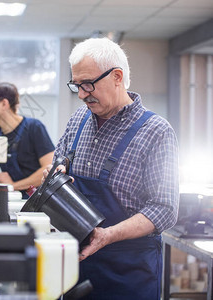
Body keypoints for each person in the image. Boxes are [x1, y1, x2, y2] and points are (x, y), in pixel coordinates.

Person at [43, 38, 179, 299]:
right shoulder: (77, 121)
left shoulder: (157, 132)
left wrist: (106, 235)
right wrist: (53, 182)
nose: (82, 94)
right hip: (77, 270)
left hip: (128, 274)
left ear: (117, 76)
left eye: (88, 84)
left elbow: (164, 209)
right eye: (77, 85)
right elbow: (57, 167)